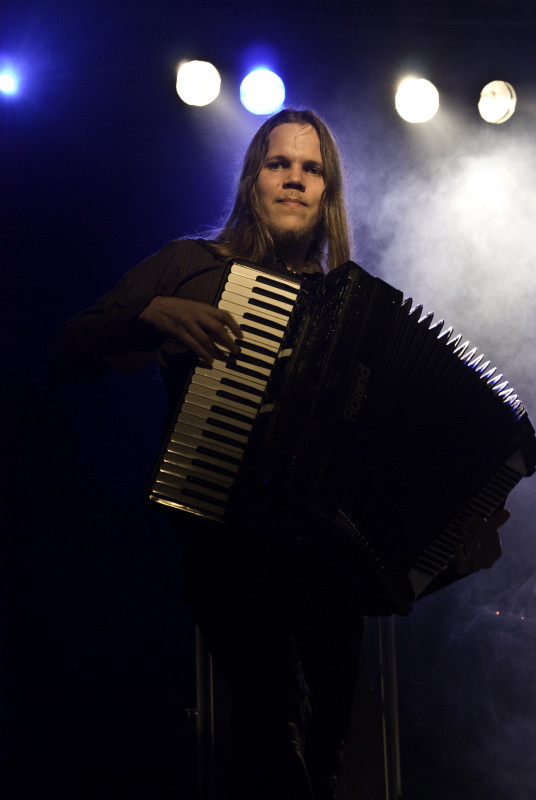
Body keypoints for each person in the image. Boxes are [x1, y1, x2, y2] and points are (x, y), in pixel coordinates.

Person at [51, 108, 508, 799]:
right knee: (273, 736)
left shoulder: (358, 317)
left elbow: (379, 522)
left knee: (323, 761)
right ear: (252, 179)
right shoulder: (191, 265)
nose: (294, 178)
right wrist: (148, 316)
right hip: (226, 551)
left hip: (325, 584)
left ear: (328, 190)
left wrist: (448, 555)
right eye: (278, 163)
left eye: (311, 167)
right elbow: (67, 349)